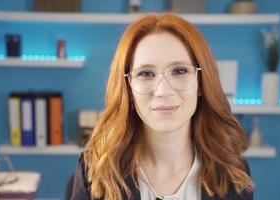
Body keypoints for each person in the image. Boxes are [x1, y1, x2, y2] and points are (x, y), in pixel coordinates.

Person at [70, 13, 254, 200]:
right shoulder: (94, 171)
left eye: (180, 71)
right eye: (146, 74)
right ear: (128, 89)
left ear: (201, 83)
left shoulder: (233, 172)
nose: (163, 91)